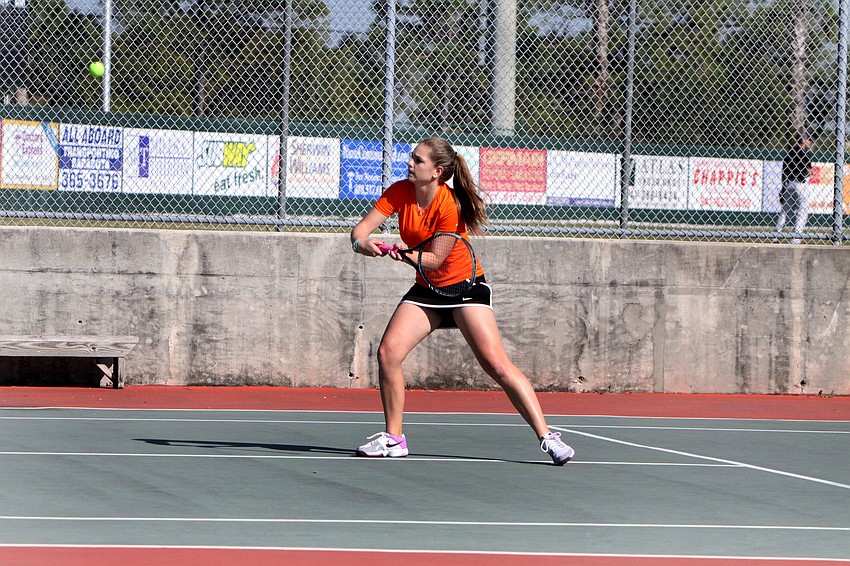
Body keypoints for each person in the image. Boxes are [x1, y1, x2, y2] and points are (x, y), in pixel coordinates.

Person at [349, 136, 575, 465]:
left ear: (437, 171)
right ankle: (394, 438)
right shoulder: (399, 191)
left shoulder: (449, 204)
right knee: (388, 353)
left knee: (496, 365)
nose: (410, 163)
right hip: (427, 290)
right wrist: (363, 245)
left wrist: (396, 251)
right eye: (412, 158)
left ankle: (547, 437)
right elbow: (359, 232)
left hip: (465, 287)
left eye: (418, 160)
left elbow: (434, 260)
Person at [775, 132, 814, 243]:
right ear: (803, 140)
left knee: (786, 211)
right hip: (801, 184)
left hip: (789, 184)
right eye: (808, 139)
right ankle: (796, 238)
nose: (809, 142)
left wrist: (783, 188)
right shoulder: (805, 154)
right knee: (802, 210)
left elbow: (784, 173)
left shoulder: (789, 153)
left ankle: (775, 235)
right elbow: (809, 171)